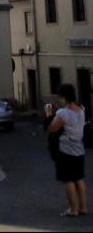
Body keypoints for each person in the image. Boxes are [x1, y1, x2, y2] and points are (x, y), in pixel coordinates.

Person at [46, 83, 88, 218]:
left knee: (68, 180)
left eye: (60, 97)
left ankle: (73, 209)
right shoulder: (81, 109)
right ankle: (83, 207)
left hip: (66, 151)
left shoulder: (63, 113)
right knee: (79, 179)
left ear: (63, 97)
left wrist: (48, 115)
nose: (59, 100)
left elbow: (52, 128)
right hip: (79, 150)